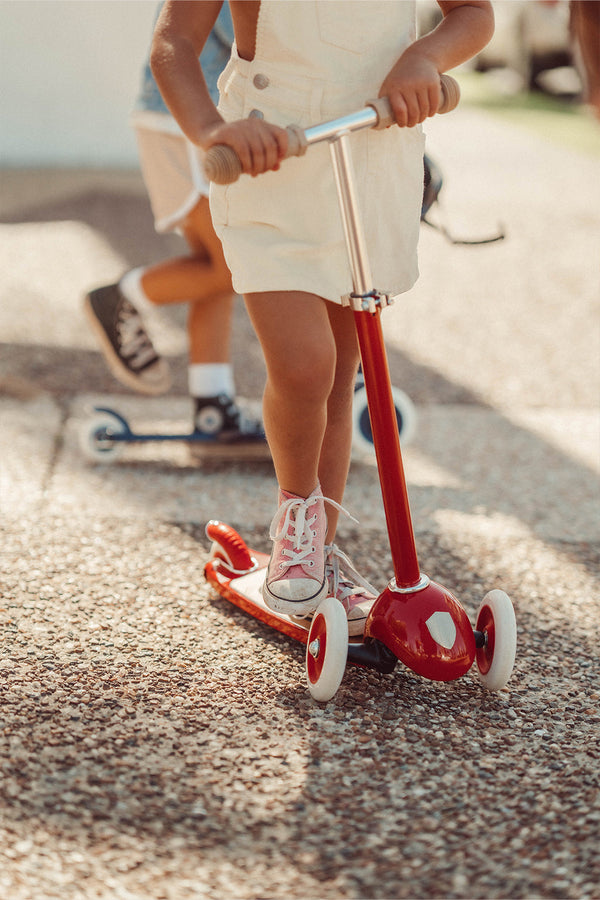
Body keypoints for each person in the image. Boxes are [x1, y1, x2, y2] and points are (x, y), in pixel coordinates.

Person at [151, 0, 495, 634]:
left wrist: (423, 57)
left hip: (369, 157)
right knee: (306, 366)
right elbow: (174, 41)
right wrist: (210, 130)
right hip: (271, 158)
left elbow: (473, 13)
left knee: (341, 378)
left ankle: (321, 545)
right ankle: (296, 522)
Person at [85, 3, 265, 446]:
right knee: (229, 267)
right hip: (189, 117)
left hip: (185, 115)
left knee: (213, 268)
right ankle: (121, 297)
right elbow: (257, 38)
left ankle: (211, 402)